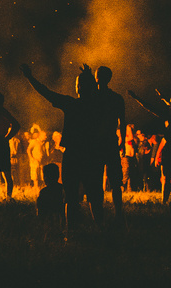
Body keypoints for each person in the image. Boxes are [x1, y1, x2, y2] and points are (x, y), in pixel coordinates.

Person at [20, 62, 104, 236]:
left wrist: (30, 77)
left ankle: (71, 232)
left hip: (73, 154)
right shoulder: (99, 106)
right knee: (95, 196)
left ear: (79, 87)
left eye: (77, 84)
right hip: (93, 155)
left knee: (71, 197)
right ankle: (100, 230)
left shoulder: (72, 104)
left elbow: (47, 93)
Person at [95, 66, 125, 224]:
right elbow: (123, 122)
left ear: (97, 78)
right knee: (115, 181)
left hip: (98, 143)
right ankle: (118, 213)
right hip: (112, 142)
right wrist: (123, 142)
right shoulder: (117, 98)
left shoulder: (93, 97)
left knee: (98, 179)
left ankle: (99, 215)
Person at [36, 161, 66, 236]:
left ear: (45, 178)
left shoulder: (43, 192)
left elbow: (40, 213)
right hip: (62, 224)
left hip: (48, 228)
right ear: (58, 176)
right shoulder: (63, 189)